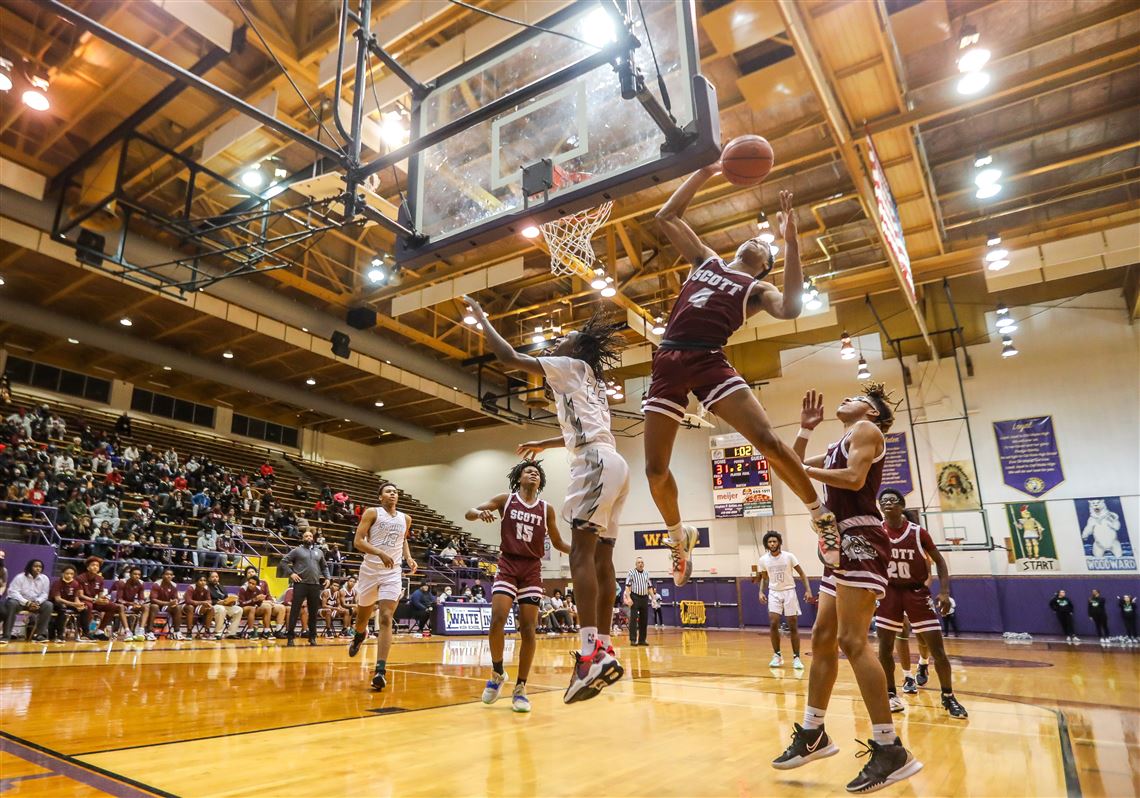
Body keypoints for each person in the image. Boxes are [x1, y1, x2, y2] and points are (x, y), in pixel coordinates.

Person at [647, 174, 836, 587]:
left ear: (766, 264)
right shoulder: (706, 260)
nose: (758, 242)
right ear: (737, 249)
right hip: (667, 361)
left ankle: (820, 516)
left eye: (766, 248)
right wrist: (703, 171)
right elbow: (666, 216)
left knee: (768, 441)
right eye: (759, 240)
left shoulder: (757, 287)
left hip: (708, 359)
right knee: (655, 471)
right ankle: (680, 539)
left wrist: (790, 243)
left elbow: (789, 309)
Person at [463, 296, 629, 705]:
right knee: (603, 558)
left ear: (578, 349)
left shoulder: (569, 366)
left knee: (580, 559)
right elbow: (583, 428)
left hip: (592, 462)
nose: (558, 341)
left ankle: (589, 652)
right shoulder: (588, 379)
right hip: (614, 462)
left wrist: (482, 317)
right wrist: (547, 440)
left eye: (565, 338)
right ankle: (604, 648)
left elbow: (508, 356)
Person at [772, 385, 921, 792]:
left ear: (871, 411)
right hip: (837, 542)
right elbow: (792, 464)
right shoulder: (843, 438)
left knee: (852, 641)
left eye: (856, 397)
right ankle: (814, 732)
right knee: (821, 638)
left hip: (860, 538)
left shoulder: (868, 430)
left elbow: (855, 481)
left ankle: (891, 750)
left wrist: (805, 473)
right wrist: (804, 431)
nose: (846, 399)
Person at [466, 460, 569, 712]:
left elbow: (557, 542)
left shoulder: (547, 509)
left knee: (529, 630)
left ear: (540, 481)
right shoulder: (506, 499)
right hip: (508, 564)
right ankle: (498, 672)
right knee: (498, 619)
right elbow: (470, 512)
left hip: (532, 569)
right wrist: (481, 513)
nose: (533, 473)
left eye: (537, 472)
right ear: (519, 478)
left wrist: (582, 552)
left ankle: (521, 687)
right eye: (528, 471)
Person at [874, 488, 967, 719]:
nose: (887, 504)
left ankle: (948, 696)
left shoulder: (918, 533)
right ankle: (890, 694)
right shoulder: (877, 532)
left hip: (916, 591)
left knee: (937, 649)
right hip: (889, 592)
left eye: (892, 500)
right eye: (883, 501)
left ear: (902, 504)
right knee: (885, 648)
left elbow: (940, 563)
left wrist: (944, 591)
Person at [346, 482, 418, 691]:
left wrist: (409, 557)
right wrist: (379, 553)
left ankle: (380, 670)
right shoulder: (372, 513)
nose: (393, 494)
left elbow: (403, 540)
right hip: (370, 570)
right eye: (388, 491)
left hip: (392, 572)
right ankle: (360, 635)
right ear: (380, 497)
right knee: (362, 618)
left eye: (395, 491)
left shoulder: (406, 518)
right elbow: (358, 541)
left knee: (386, 617)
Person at [757, 531, 815, 669]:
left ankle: (796, 658)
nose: (772, 544)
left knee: (793, 625)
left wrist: (808, 590)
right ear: (767, 544)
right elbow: (764, 578)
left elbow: (802, 574)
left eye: (774, 541)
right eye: (770, 542)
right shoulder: (763, 560)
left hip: (789, 592)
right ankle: (777, 655)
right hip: (774, 593)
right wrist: (760, 592)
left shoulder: (789, 556)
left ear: (779, 543)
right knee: (773, 622)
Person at [282, 529, 330, 646]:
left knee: (313, 612)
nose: (308, 537)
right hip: (300, 584)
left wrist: (327, 578)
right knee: (295, 610)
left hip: (314, 585)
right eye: (306, 536)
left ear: (313, 538)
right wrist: (291, 573)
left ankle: (312, 637)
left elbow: (324, 566)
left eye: (310, 536)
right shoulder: (297, 551)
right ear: (303, 539)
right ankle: (290, 637)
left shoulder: (319, 552)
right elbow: (283, 562)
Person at [76, 556, 129, 639]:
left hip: (94, 601)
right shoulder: (80, 578)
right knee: (88, 606)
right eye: (93, 565)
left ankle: (100, 631)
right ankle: (85, 632)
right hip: (83, 600)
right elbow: (80, 595)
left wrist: (103, 600)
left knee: (112, 606)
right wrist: (95, 600)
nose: (95, 567)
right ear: (88, 567)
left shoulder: (100, 579)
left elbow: (100, 595)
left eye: (97, 566)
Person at [1, 559, 53, 643]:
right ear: (30, 567)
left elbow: (44, 594)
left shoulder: (45, 579)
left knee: (48, 605)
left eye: (40, 567)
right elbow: (13, 592)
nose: (38, 568)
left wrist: (37, 602)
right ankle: (6, 636)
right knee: (11, 603)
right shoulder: (20, 577)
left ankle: (40, 635)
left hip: (35, 603)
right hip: (20, 602)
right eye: (35, 566)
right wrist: (27, 602)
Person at [49, 565, 86, 642]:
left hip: (69, 604)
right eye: (67, 573)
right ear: (62, 573)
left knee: (85, 609)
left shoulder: (75, 583)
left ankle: (85, 634)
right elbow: (58, 599)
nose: (69, 575)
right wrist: (73, 604)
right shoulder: (57, 583)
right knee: (62, 608)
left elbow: (76, 598)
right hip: (56, 604)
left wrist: (79, 605)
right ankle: (60, 635)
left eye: (71, 574)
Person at [114, 566, 151, 641]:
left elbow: (141, 598)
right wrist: (132, 604)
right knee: (121, 607)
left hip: (131, 604)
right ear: (130, 574)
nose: (137, 576)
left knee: (146, 607)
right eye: (135, 574)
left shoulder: (141, 583)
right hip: (120, 604)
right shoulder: (122, 582)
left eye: (139, 574)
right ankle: (127, 632)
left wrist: (140, 604)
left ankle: (140, 631)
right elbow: (119, 599)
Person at [623, 557, 652, 646]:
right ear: (636, 564)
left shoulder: (647, 573)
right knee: (633, 619)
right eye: (639, 562)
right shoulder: (631, 573)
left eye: (642, 562)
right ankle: (633, 639)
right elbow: (627, 586)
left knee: (644, 619)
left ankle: (642, 640)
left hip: (644, 597)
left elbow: (649, 587)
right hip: (635, 597)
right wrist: (629, 598)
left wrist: (653, 598)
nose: (641, 564)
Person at [148, 568, 184, 639]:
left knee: (178, 607)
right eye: (167, 574)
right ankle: (149, 632)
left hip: (166, 606)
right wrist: (168, 603)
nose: (169, 576)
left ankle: (176, 632)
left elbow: (176, 598)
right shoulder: (157, 584)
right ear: (162, 575)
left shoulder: (174, 585)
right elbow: (153, 600)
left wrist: (175, 602)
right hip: (156, 605)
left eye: (171, 575)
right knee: (154, 606)